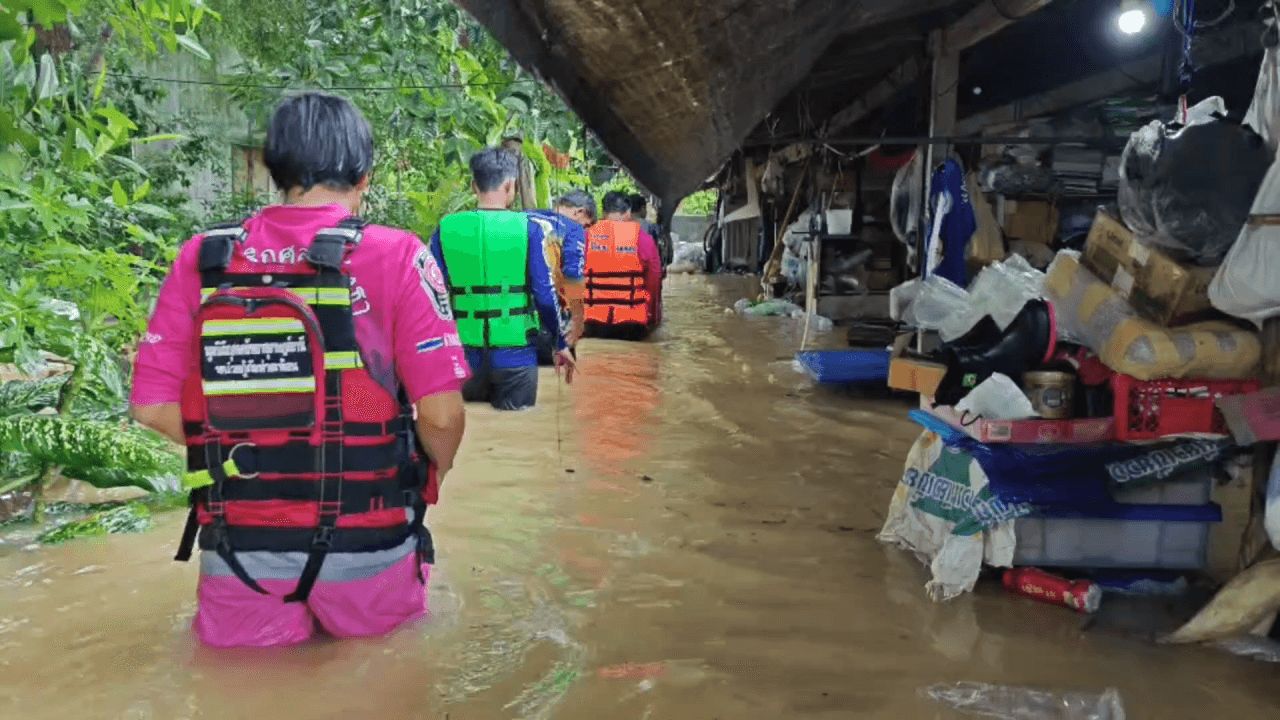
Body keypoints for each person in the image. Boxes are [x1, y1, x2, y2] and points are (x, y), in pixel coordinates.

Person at [129, 92, 468, 648]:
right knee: (385, 683)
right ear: (364, 176)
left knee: (243, 694)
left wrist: (252, 453)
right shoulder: (398, 254)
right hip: (369, 545)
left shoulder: (203, 257)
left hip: (240, 551)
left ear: (272, 168)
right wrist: (431, 470)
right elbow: (441, 413)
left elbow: (152, 407)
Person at [430, 148, 575, 410]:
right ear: (511, 186)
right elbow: (544, 294)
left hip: (461, 357)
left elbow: (430, 294)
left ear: (474, 185)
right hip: (516, 357)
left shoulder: (446, 228)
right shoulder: (529, 228)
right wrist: (559, 342)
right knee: (516, 432)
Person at [583, 191, 664, 338]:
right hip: (631, 324)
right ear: (628, 212)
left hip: (594, 322)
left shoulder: (587, 237)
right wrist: (652, 316)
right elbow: (654, 280)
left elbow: (573, 276)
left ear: (603, 212)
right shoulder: (643, 239)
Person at [528, 189, 594, 363]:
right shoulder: (573, 229)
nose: (585, 231)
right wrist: (578, 320)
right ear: (579, 212)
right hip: (545, 322)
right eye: (586, 225)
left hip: (506, 319)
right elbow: (573, 275)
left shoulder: (523, 216)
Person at [629, 193, 668, 264]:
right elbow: (658, 253)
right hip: (644, 267)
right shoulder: (651, 227)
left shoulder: (618, 225)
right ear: (642, 208)